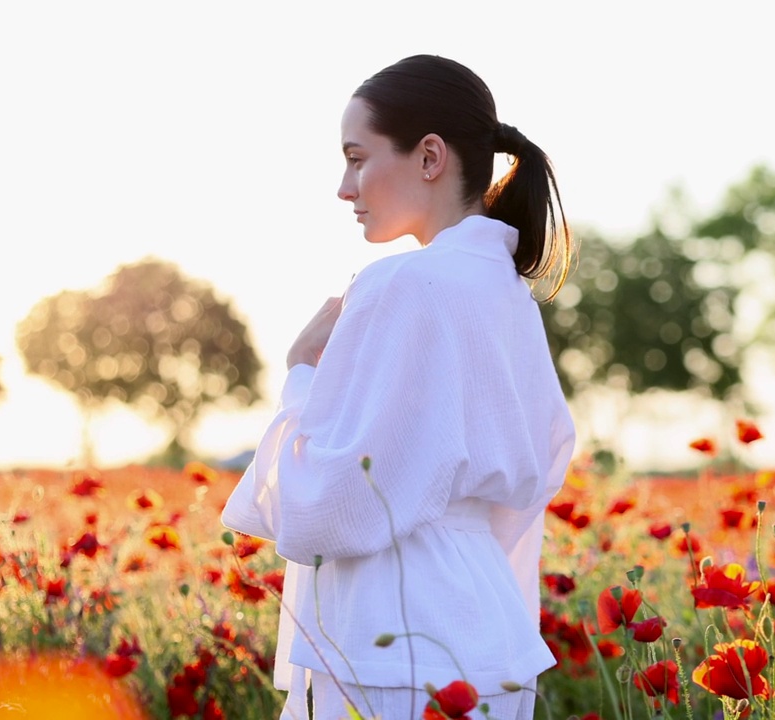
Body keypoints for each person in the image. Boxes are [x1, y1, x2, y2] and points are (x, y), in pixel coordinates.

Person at [221, 54, 576, 720]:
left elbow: (331, 505)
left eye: (358, 158)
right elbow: (539, 471)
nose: (344, 186)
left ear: (430, 156)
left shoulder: (402, 284)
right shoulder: (507, 295)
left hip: (391, 630)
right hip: (490, 627)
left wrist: (300, 375)